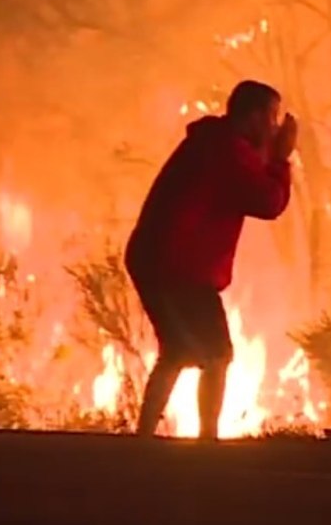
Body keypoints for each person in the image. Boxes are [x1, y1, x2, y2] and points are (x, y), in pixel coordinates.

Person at [125, 80, 297, 440]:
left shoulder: (216, 144)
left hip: (164, 260)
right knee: (217, 354)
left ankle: (144, 440)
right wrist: (281, 159)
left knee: (177, 351)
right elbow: (267, 201)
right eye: (272, 116)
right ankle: (206, 444)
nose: (275, 126)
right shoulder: (225, 151)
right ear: (253, 117)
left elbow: (253, 178)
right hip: (178, 266)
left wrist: (271, 158)